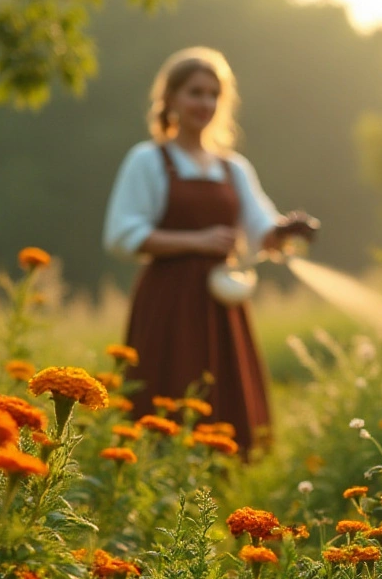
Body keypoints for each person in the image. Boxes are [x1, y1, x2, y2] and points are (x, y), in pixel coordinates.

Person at [102, 47, 317, 457]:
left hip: (221, 303)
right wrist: (196, 242)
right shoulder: (148, 160)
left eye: (213, 94)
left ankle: (223, 494)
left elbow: (259, 229)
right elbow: (121, 234)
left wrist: (285, 230)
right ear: (170, 99)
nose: (205, 103)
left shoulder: (233, 167)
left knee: (224, 397)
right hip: (167, 301)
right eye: (195, 92)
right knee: (166, 391)